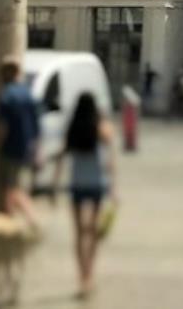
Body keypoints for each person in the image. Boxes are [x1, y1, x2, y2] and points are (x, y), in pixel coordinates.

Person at [50, 92, 116, 298]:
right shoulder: (100, 128)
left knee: (78, 233)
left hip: (77, 184)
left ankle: (82, 277)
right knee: (93, 231)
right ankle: (90, 273)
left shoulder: (73, 130)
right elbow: (110, 158)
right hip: (96, 184)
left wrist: (54, 185)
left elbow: (61, 157)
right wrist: (113, 188)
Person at [0, 57, 41, 231]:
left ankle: (30, 219)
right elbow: (37, 124)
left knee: (11, 186)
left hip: (10, 146)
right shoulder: (28, 93)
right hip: (27, 146)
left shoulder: (6, 95)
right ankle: (10, 219)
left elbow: (2, 127)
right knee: (13, 186)